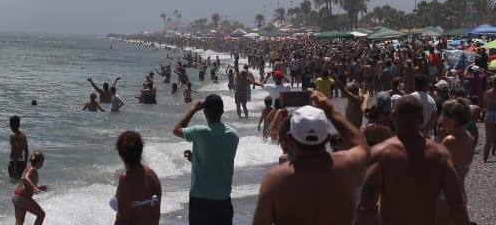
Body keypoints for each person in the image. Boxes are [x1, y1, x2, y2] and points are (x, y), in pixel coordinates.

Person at [253, 91, 371, 225]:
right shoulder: (346, 166)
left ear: (290, 139)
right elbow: (361, 145)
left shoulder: (275, 180)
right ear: (327, 138)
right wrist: (330, 110)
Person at [355, 95, 469, 225]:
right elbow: (457, 205)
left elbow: (366, 207)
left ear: (393, 116)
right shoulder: (439, 155)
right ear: (421, 119)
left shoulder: (382, 154)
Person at [175, 94, 240, 225]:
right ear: (222, 111)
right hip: (223, 199)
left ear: (204, 112)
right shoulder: (233, 135)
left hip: (201, 200)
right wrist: (196, 159)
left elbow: (177, 130)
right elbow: (219, 161)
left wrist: (193, 109)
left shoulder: (200, 132)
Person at [436, 98, 475, 225]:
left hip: (444, 195)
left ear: (452, 119)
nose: (441, 121)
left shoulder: (449, 140)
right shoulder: (469, 137)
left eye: (443, 118)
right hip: (460, 193)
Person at [114, 130, 162, 225]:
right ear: (140, 150)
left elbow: (123, 219)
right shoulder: (152, 174)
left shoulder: (126, 179)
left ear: (120, 153)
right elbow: (155, 212)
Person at [12, 151, 49, 225]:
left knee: (19, 222)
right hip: (23, 198)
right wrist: (34, 187)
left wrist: (38, 187)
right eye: (42, 162)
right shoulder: (33, 168)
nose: (42, 164)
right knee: (41, 215)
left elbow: (23, 181)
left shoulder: (28, 167)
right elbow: (25, 178)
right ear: (38, 162)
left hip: (16, 196)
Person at [9, 115, 30, 179]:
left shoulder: (13, 136)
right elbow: (26, 151)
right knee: (19, 182)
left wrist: (14, 166)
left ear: (11, 125)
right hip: (22, 162)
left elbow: (15, 151)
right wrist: (25, 163)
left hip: (14, 162)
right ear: (19, 125)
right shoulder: (23, 136)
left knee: (13, 181)